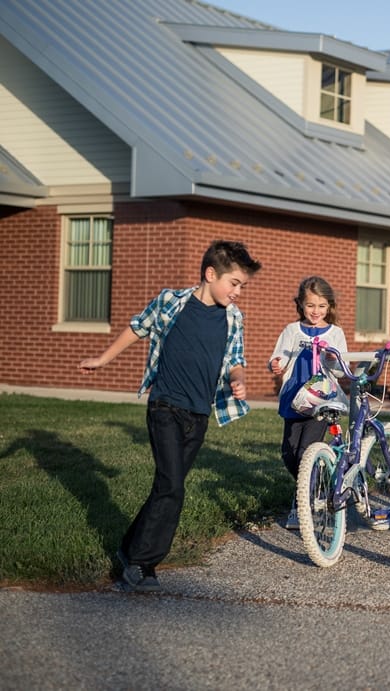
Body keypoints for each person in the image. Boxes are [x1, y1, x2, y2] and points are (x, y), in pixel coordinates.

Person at [78, 240, 262, 592]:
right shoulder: (170, 302)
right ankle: (141, 566)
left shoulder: (233, 317)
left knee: (166, 486)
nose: (238, 291)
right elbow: (137, 327)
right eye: (234, 283)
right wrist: (103, 360)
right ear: (211, 274)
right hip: (165, 407)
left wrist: (238, 381)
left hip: (199, 414)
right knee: (173, 487)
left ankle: (129, 547)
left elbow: (236, 360)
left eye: (242, 286)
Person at [269, 276, 348, 529]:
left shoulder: (336, 333)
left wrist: (331, 359)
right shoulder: (292, 330)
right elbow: (280, 355)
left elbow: (340, 369)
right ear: (301, 305)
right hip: (295, 397)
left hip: (320, 399)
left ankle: (301, 502)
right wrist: (276, 364)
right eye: (311, 305)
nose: (316, 311)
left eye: (322, 306)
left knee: (306, 452)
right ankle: (316, 480)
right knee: (290, 453)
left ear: (329, 307)